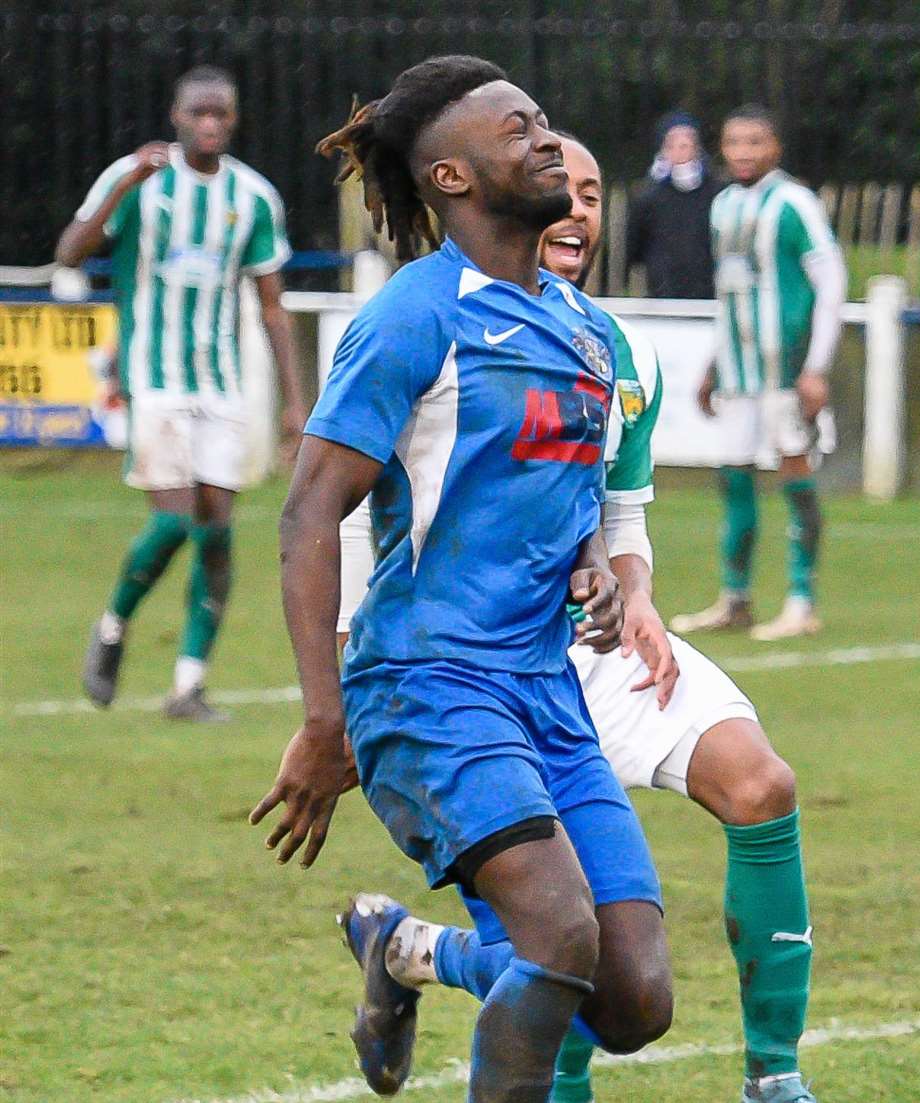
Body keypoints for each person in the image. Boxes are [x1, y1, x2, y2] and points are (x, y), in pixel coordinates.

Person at [337, 133, 818, 1103]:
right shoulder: (433, 323)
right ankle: (421, 957)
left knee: (760, 782)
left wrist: (635, 593)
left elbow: (623, 510)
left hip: (593, 646)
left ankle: (775, 1073)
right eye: (560, 186)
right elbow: (349, 507)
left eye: (595, 192)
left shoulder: (616, 346)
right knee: (564, 940)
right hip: (467, 663)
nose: (578, 207)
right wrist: (350, 667)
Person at [248, 57, 672, 1103]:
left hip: (546, 694)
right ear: (450, 177)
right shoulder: (414, 317)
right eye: (517, 130)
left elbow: (568, 511)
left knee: (632, 998)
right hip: (426, 683)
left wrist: (599, 578)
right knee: (559, 929)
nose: (546, 144)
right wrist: (322, 715)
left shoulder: (581, 329)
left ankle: (403, 946)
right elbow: (308, 512)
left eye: (542, 122)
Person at [58, 65, 305, 720]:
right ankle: (112, 626)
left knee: (218, 533)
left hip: (221, 385)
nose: (211, 124)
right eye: (199, 112)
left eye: (221, 113)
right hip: (154, 378)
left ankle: (188, 684)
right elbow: (70, 253)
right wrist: (124, 190)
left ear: (233, 119)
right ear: (176, 115)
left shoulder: (252, 197)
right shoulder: (134, 177)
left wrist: (293, 403)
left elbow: (273, 308)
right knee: (172, 521)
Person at [671, 105, 846, 641]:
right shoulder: (722, 205)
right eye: (734, 142)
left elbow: (832, 279)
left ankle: (802, 598)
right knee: (733, 477)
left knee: (795, 473)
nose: (743, 152)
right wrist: (713, 365)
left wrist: (816, 366)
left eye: (755, 142)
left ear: (775, 148)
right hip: (739, 376)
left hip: (784, 372)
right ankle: (736, 598)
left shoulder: (795, 203)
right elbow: (730, 292)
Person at [625, 112, 721, 299]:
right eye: (672, 145)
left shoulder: (717, 193)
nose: (679, 151)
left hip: (709, 294)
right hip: (663, 292)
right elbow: (635, 246)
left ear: (697, 147)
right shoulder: (648, 197)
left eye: (685, 145)